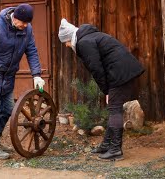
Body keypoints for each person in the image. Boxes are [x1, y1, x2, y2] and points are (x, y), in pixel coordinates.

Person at [58, 19, 144, 161]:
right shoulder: (90, 37)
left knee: (115, 109)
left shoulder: (84, 43)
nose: (67, 46)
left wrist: (106, 91)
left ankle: (115, 150)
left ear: (69, 38)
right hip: (122, 70)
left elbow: (96, 69)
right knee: (113, 108)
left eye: (65, 42)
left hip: (120, 72)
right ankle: (106, 145)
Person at [0, 4, 45, 160]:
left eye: (27, 23)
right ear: (15, 17)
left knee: (8, 110)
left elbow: (31, 51)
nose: (25, 26)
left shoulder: (27, 29)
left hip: (8, 76)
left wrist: (36, 75)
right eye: (23, 23)